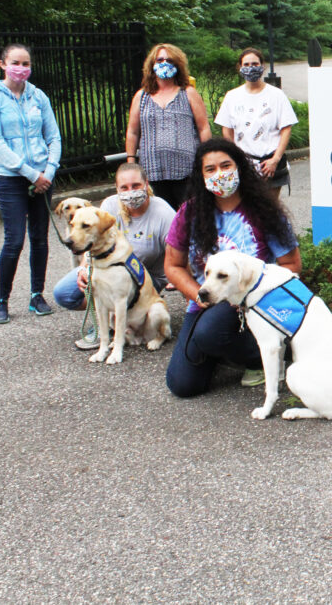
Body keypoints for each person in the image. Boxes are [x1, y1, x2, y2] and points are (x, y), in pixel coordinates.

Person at [164, 138, 301, 397]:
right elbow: (172, 265)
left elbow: (291, 265)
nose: (220, 174)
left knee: (209, 333)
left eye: (226, 166)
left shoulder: (264, 210)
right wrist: (196, 294)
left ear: (240, 167)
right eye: (210, 169)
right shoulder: (189, 212)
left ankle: (265, 358)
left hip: (253, 303)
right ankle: (221, 347)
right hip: (205, 300)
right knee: (182, 385)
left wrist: (256, 298)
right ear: (201, 175)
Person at [52, 163, 175, 348]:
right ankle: (106, 324)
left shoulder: (164, 213)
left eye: (136, 186)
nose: (130, 192)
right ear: (117, 189)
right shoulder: (109, 205)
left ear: (146, 184)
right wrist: (85, 269)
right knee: (64, 293)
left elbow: (180, 255)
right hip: (107, 267)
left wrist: (194, 303)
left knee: (117, 289)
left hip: (146, 276)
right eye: (124, 188)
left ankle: (120, 325)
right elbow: (93, 240)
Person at [0, 43, 62, 324]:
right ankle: (1, 300)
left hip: (43, 177)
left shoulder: (38, 96)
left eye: (26, 64)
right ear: (3, 64)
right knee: (14, 240)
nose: (21, 69)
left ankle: (36, 295)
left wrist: (49, 171)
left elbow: (53, 137)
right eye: (16, 63)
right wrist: (31, 174)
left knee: (39, 238)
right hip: (12, 178)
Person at [125, 43, 211, 210]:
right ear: (152, 64)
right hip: (152, 171)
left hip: (186, 170)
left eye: (169, 60)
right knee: (160, 217)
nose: (164, 63)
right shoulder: (141, 96)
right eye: (160, 60)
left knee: (189, 216)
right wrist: (131, 162)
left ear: (177, 64)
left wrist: (206, 159)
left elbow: (203, 128)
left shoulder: (188, 93)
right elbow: (133, 131)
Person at [214, 48, 298, 199]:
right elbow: (227, 130)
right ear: (240, 67)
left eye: (254, 63)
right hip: (244, 164)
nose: (251, 67)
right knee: (246, 211)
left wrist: (275, 159)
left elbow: (286, 128)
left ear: (262, 66)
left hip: (270, 164)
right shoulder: (232, 96)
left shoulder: (276, 95)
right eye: (246, 64)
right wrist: (235, 157)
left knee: (269, 211)